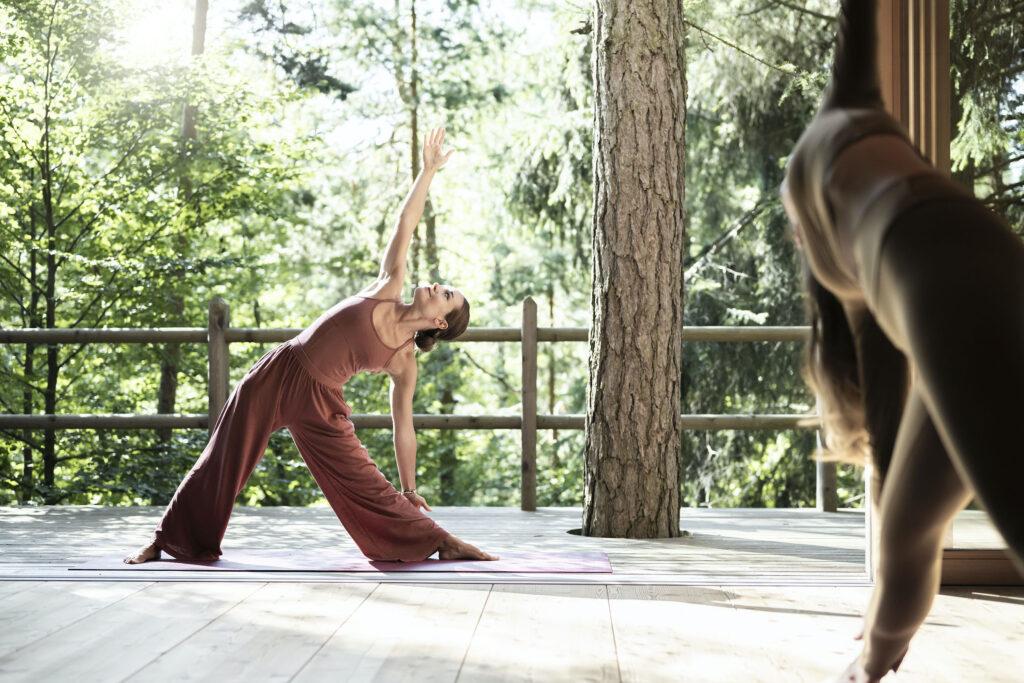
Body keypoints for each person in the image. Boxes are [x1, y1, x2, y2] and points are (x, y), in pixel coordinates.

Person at [781, 2, 1024, 681]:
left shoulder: (837, 247)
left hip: (946, 289)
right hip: (981, 265)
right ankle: (867, 667)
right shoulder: (851, 115)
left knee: (907, 531)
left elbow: (880, 393)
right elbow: (856, 33)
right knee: (909, 526)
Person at [125, 126, 497, 565]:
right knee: (223, 456)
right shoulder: (387, 285)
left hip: (321, 403)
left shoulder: (404, 361)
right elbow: (406, 224)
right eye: (444, 285)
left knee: (362, 479)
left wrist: (410, 487)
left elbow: (404, 427)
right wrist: (427, 172)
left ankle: (439, 541)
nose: (437, 285)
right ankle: (167, 540)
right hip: (279, 371)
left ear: (439, 321)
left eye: (446, 294)